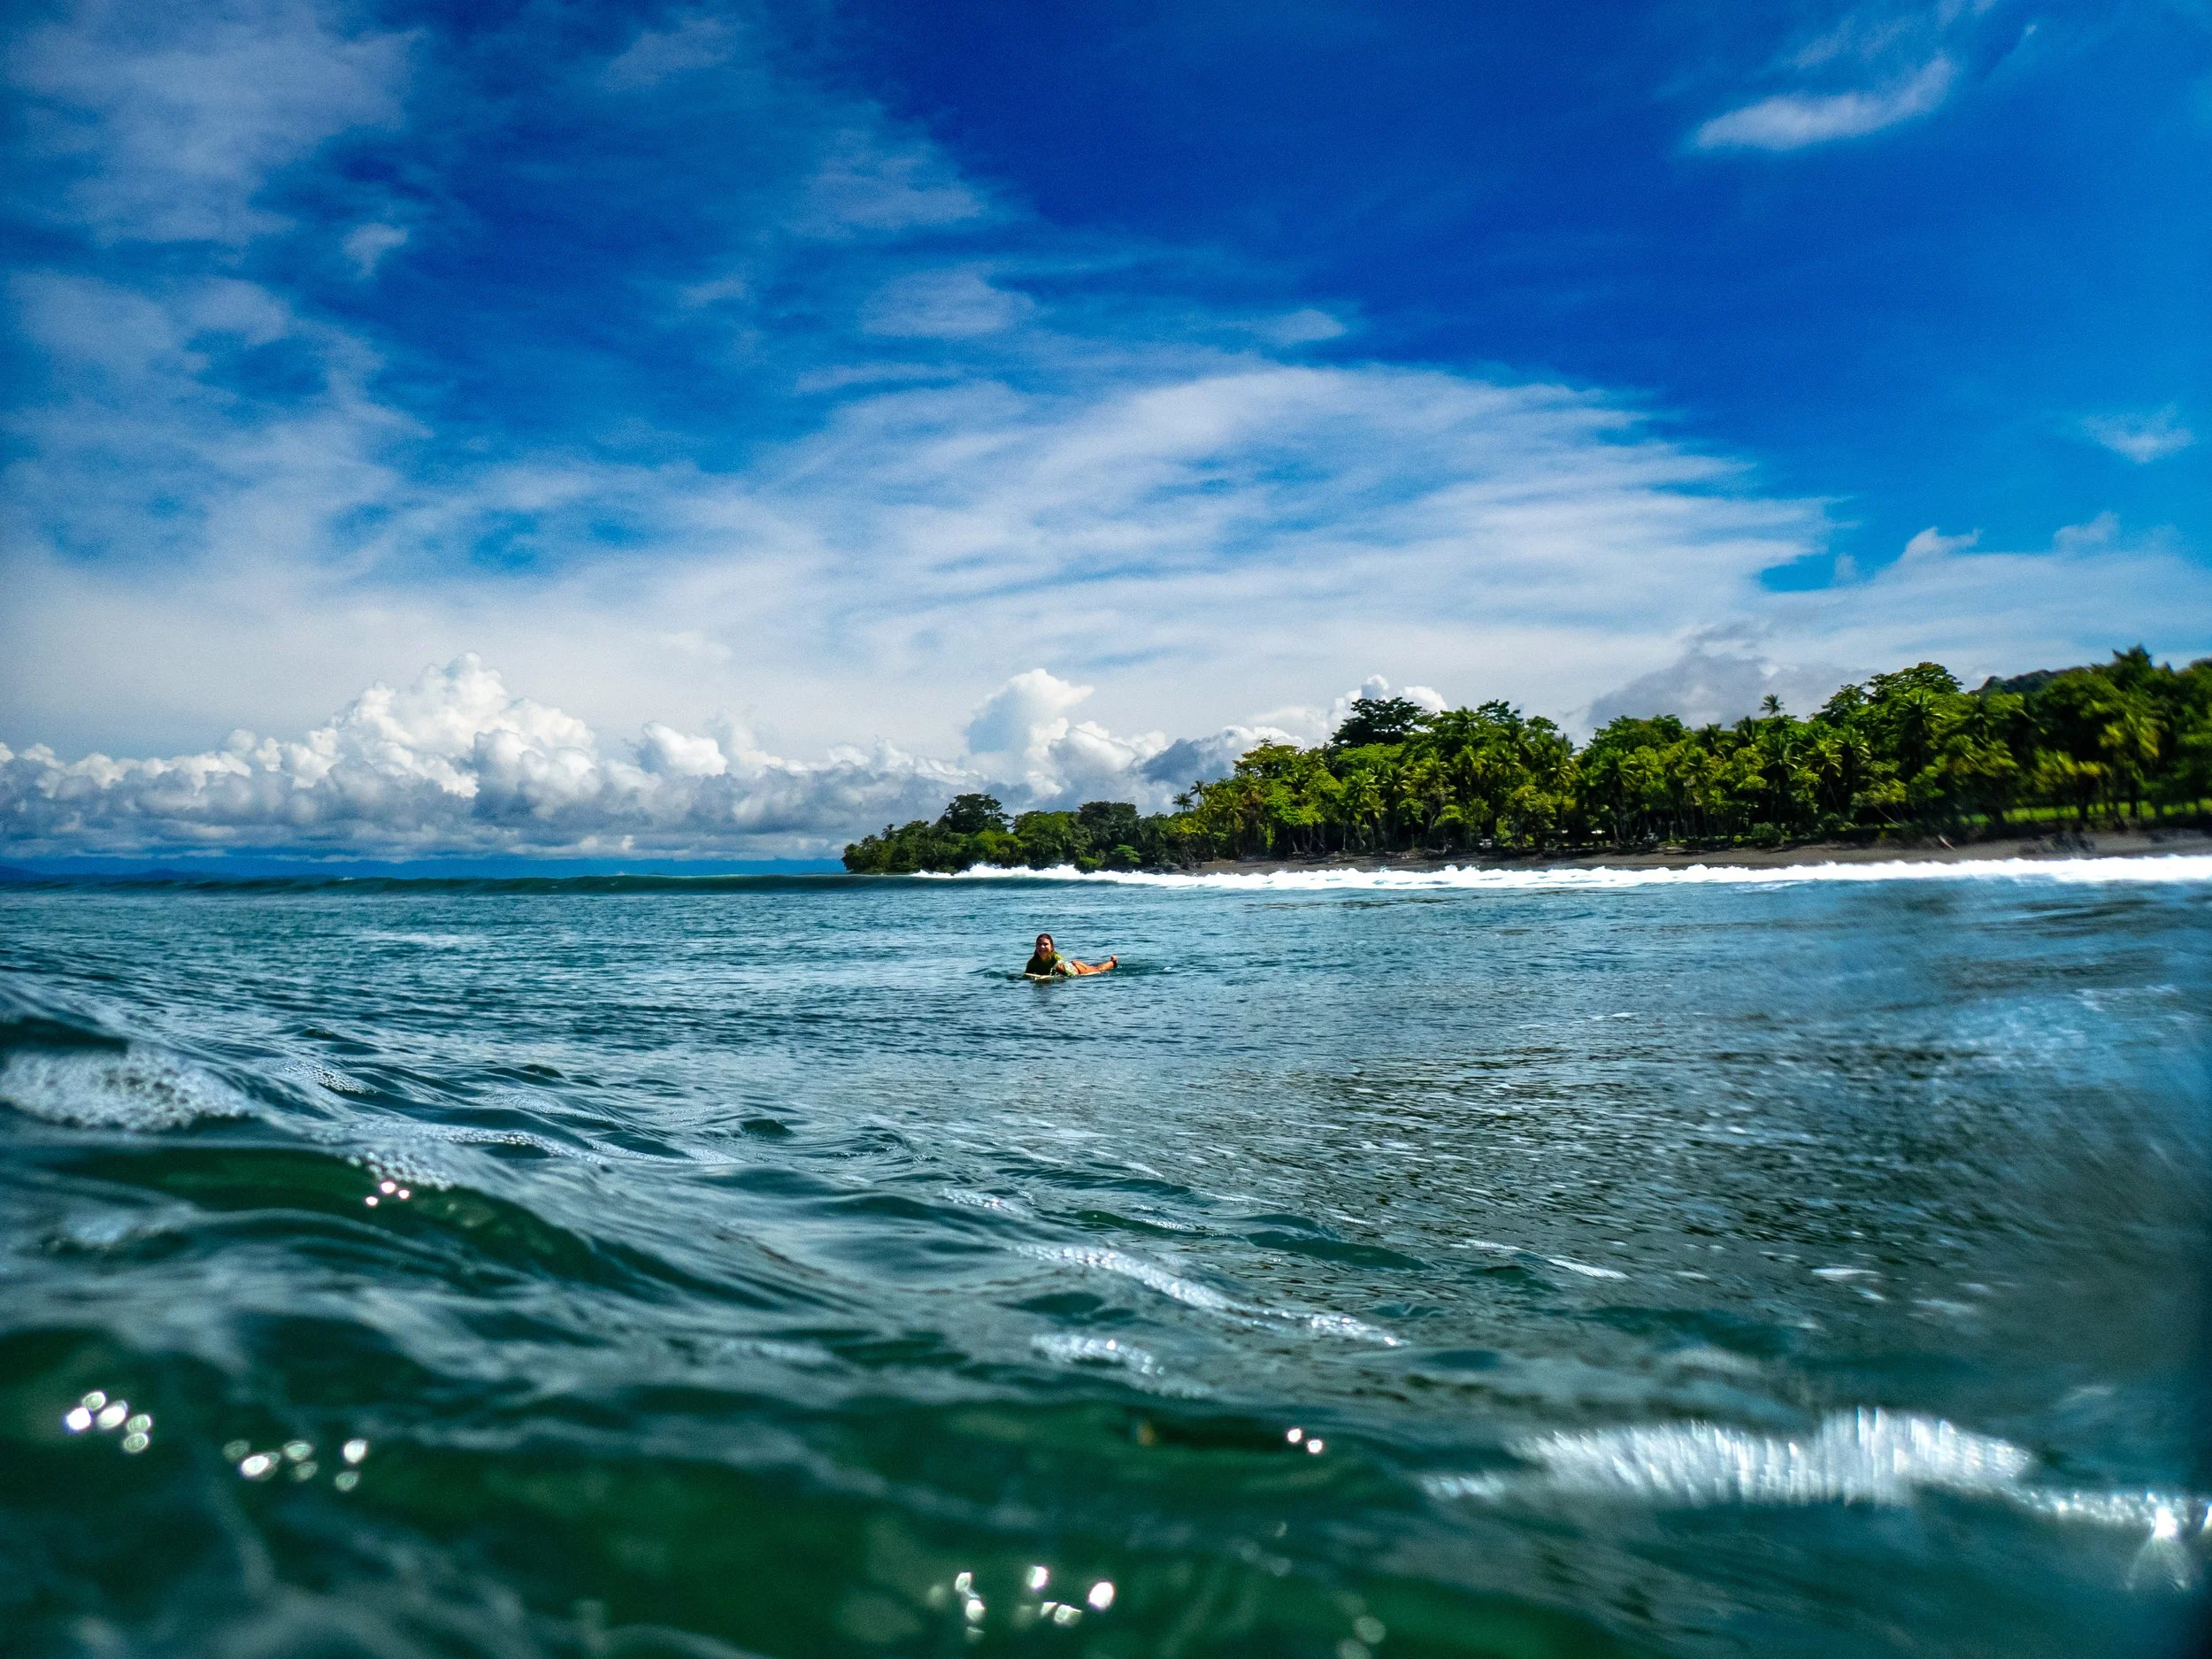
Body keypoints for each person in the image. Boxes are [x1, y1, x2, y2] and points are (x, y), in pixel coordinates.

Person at [1024, 932, 1117, 977]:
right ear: (1036, 947)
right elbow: (1027, 976)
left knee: (1098, 970)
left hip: (1078, 969)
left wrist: (1061, 972)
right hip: (1074, 966)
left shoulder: (1057, 959)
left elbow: (1071, 975)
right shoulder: (1032, 963)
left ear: (1052, 948)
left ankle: (1113, 962)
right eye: (1039, 944)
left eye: (1045, 944)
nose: (1042, 947)